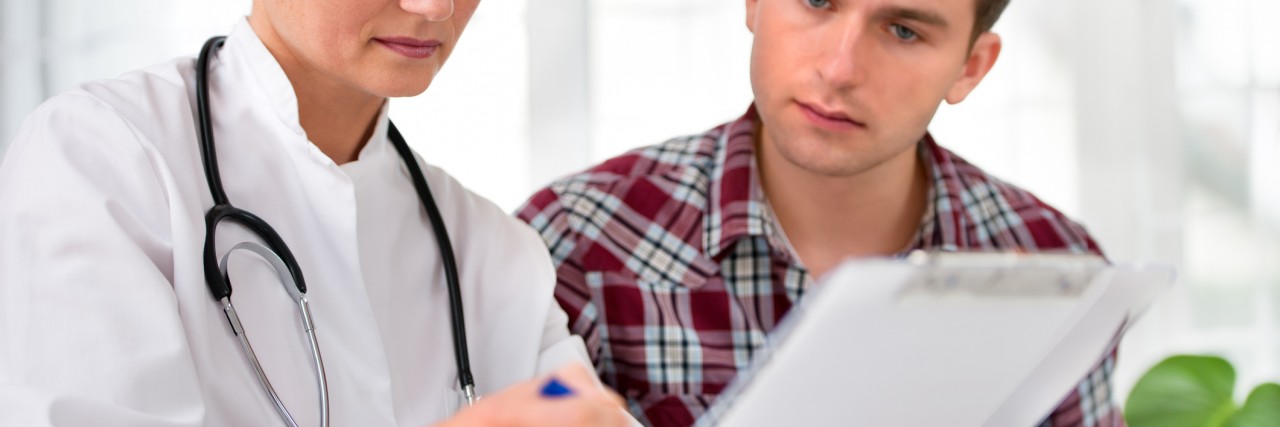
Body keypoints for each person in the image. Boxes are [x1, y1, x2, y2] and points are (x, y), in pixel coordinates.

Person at [0, 0, 630, 426]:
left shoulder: (492, 249)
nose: (436, 6)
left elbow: (572, 403)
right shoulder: (100, 159)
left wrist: (566, 399)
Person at [517, 0, 1122, 425]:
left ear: (970, 67)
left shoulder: (1056, 265)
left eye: (904, 30)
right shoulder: (574, 240)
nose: (839, 69)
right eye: (815, 0)